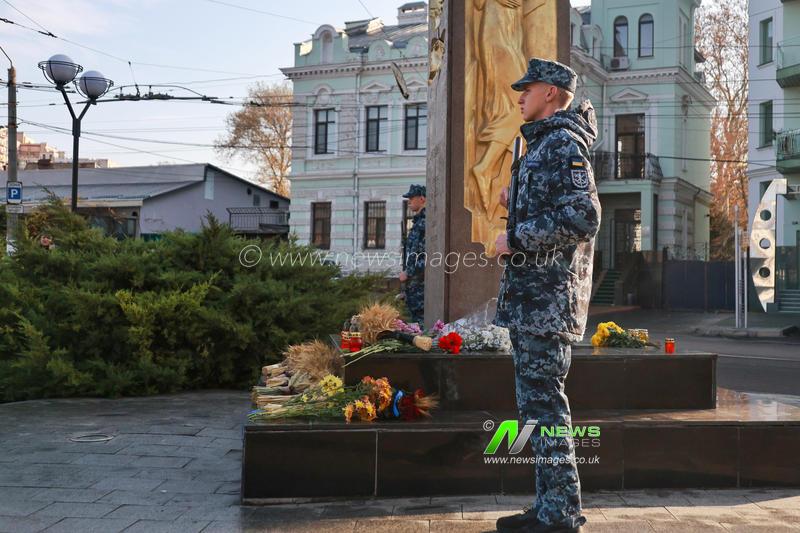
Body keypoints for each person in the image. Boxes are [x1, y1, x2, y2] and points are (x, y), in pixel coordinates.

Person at [493, 58, 601, 533]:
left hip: (547, 302)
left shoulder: (562, 142)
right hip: (532, 300)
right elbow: (553, 207)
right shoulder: (540, 146)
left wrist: (515, 238)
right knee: (535, 409)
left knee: (546, 407)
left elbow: (584, 216)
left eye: (528, 88)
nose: (520, 96)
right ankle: (549, 507)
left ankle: (561, 513)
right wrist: (513, 200)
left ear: (553, 93)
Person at [400, 184, 426, 325]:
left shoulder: (425, 222)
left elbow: (426, 256)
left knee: (421, 326)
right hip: (414, 287)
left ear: (422, 199)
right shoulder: (417, 222)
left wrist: (408, 273)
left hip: (421, 287)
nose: (409, 201)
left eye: (411, 198)